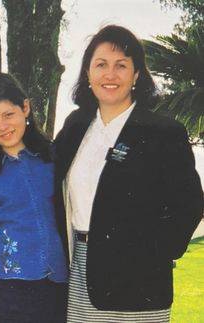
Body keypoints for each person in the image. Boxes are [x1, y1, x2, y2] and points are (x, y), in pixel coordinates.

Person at [54, 25, 203, 322]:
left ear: (136, 75)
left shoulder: (164, 133)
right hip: (79, 274)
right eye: (101, 65)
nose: (111, 74)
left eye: (121, 65)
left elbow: (189, 206)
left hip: (139, 284)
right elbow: (42, 173)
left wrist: (151, 255)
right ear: (87, 73)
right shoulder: (75, 126)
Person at [0, 73, 68, 323]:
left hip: (58, 289)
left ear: (26, 108)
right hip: (5, 295)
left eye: (9, 114)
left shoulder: (55, 160)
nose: (3, 126)